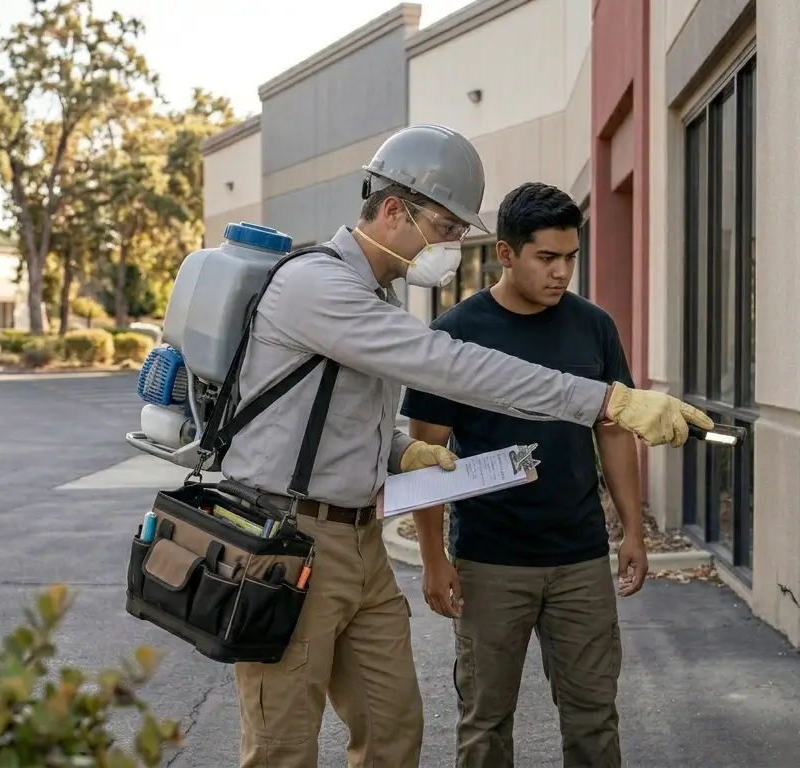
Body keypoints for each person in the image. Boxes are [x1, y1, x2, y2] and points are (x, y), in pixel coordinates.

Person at [221, 125, 713, 768]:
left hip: (360, 540)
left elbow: (343, 419)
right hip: (292, 540)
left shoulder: (375, 295)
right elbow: (452, 367)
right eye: (448, 227)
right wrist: (609, 401)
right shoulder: (319, 286)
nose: (454, 245)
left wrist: (401, 452)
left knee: (393, 732)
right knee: (285, 746)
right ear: (395, 209)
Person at [400, 181, 645, 768]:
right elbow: (425, 455)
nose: (562, 272)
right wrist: (435, 557)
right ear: (505, 253)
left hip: (580, 557)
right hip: (489, 561)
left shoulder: (594, 327)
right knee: (485, 724)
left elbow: (612, 431)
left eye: (571, 258)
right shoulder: (456, 335)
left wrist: (631, 528)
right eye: (547, 258)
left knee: (594, 718)